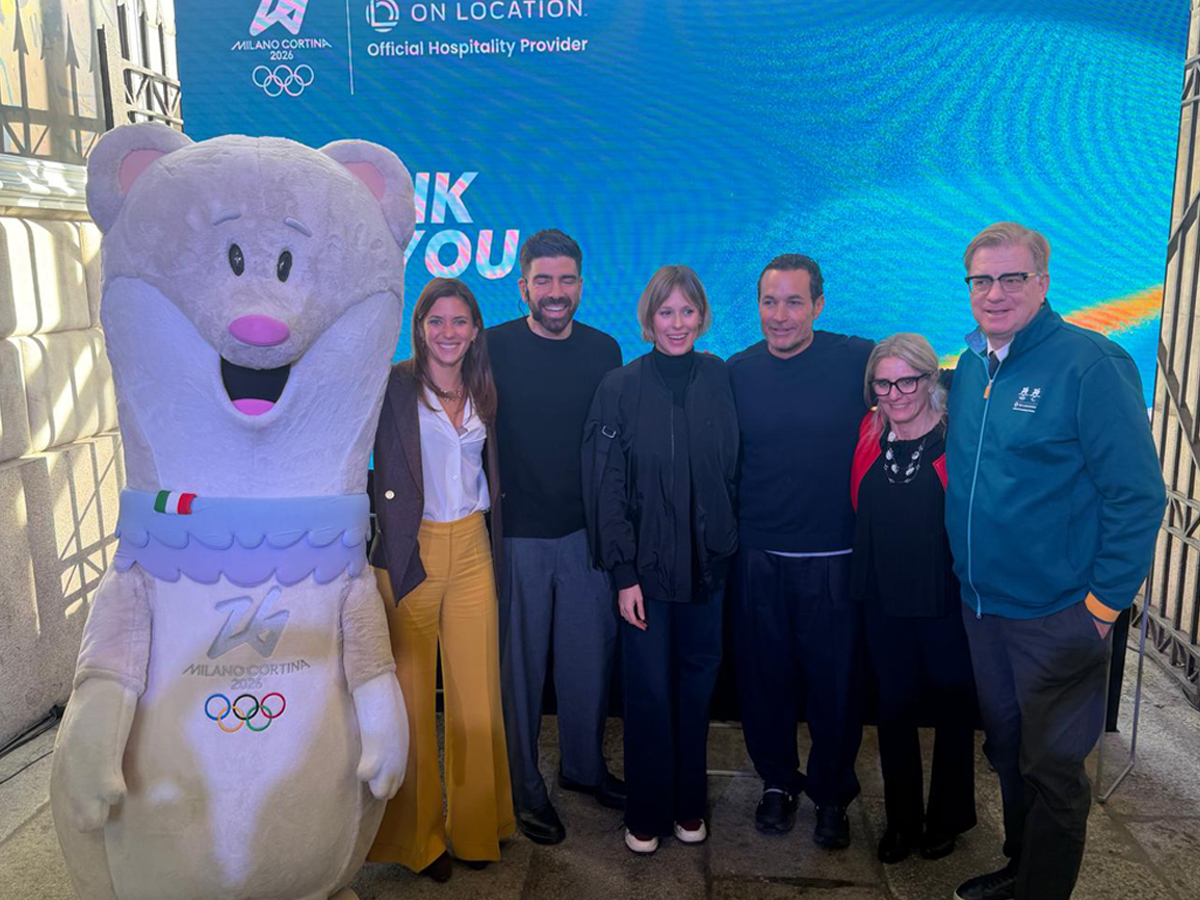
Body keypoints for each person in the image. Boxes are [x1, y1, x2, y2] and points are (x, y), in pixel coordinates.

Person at [946, 223, 1165, 900]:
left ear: (1042, 284)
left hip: (1057, 616)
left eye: (1013, 278)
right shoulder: (973, 365)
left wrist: (1100, 608)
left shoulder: (1090, 365)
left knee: (1055, 772)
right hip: (984, 610)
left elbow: (1137, 496)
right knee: (1010, 752)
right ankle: (1021, 869)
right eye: (982, 280)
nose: (996, 293)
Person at [583, 265, 739, 854]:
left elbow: (731, 470)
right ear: (648, 319)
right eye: (666, 312)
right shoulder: (619, 387)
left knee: (697, 693)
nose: (678, 323)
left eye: (687, 311)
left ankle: (688, 805)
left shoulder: (720, 377)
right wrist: (623, 574)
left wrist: (724, 545)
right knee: (649, 694)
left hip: (707, 573)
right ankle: (646, 811)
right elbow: (607, 487)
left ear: (702, 316)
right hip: (644, 577)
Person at [367, 277, 514, 881]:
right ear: (420, 327)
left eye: (459, 321)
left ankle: (478, 828)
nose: (448, 332)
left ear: (475, 329)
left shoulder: (485, 387)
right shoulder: (392, 386)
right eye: (437, 321)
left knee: (477, 695)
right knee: (407, 698)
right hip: (411, 550)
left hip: (473, 546)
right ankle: (417, 841)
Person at [728, 253, 873, 848]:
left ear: (818, 305)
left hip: (835, 558)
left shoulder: (858, 360)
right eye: (769, 302)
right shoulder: (737, 371)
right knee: (764, 683)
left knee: (836, 689)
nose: (780, 315)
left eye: (793, 302)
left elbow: (920, 381)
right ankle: (776, 783)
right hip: (758, 557)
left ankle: (832, 794)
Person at [486, 230, 625, 845]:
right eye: (543, 279)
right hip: (516, 536)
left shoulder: (604, 350)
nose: (555, 291)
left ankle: (583, 768)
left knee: (588, 664)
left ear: (581, 285)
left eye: (566, 279)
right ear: (523, 286)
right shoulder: (490, 347)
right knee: (517, 674)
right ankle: (524, 788)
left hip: (585, 537)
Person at [849, 334, 977, 865]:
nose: (895, 394)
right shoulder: (868, 433)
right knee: (894, 710)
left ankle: (947, 818)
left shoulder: (958, 438)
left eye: (906, 381)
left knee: (953, 708)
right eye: (883, 384)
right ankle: (901, 822)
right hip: (883, 599)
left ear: (930, 379)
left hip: (945, 599)